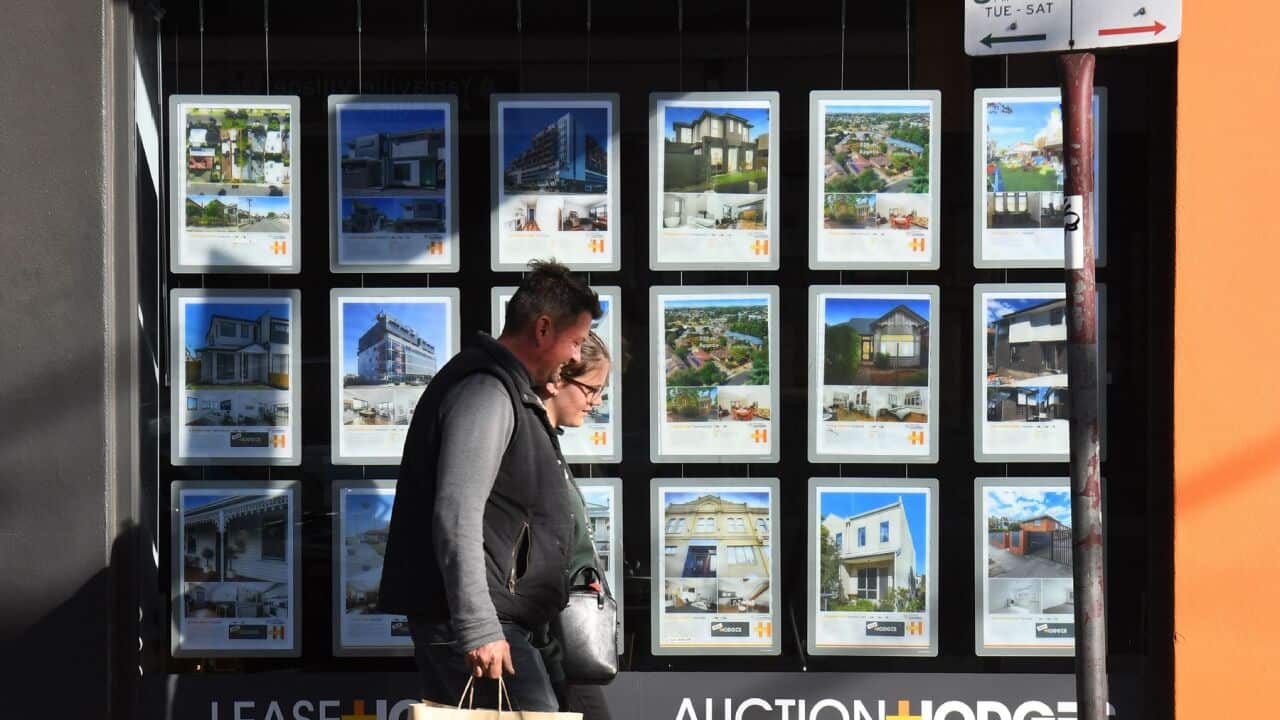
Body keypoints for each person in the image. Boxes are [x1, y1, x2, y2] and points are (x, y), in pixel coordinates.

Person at [378, 260, 601, 712]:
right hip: (483, 624)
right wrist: (479, 626)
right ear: (542, 329)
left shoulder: (507, 389)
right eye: (575, 341)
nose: (576, 356)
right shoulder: (486, 391)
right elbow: (456, 513)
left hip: (504, 621)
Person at [536, 331, 615, 720]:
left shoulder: (548, 443)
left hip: (563, 639)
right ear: (560, 378)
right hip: (554, 641)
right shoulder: (531, 444)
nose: (596, 401)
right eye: (591, 389)